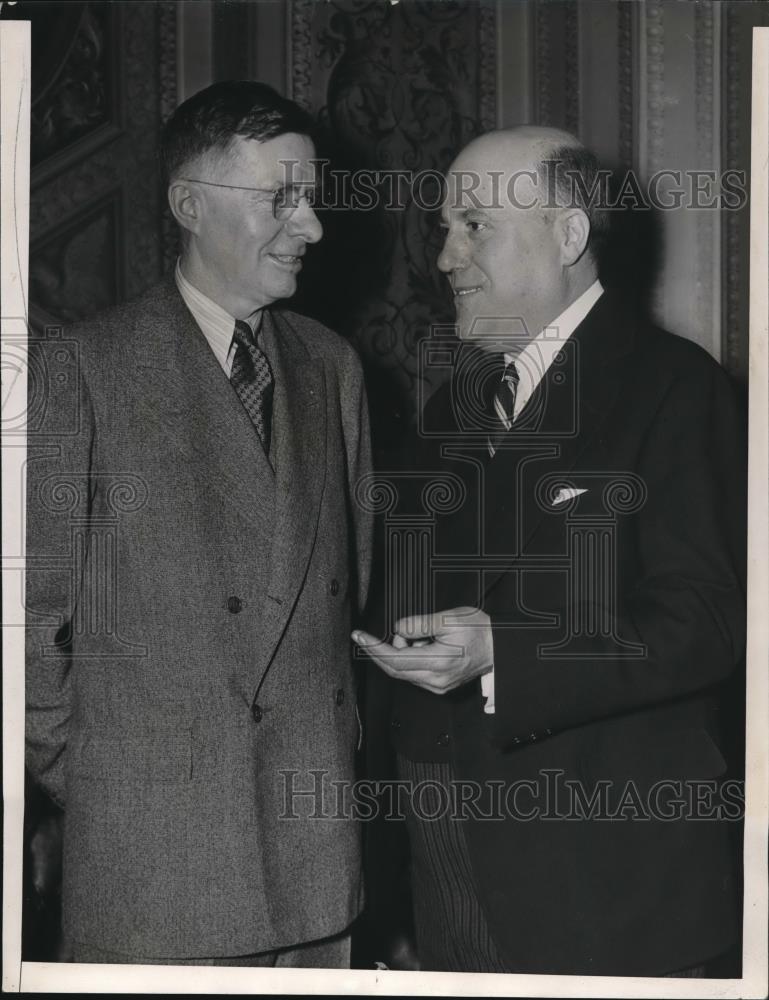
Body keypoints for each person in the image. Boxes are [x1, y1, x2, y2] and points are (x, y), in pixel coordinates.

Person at [354, 127, 746, 976]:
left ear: (567, 237)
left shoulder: (677, 387)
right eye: (443, 231)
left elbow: (707, 619)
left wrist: (504, 654)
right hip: (447, 869)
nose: (445, 257)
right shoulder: (451, 408)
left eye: (473, 226)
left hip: (607, 887)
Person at [25, 80, 372, 967]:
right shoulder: (83, 366)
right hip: (154, 870)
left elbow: (345, 600)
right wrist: (105, 780)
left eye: (313, 199)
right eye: (279, 200)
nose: (312, 227)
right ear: (189, 204)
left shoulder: (331, 368)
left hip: (317, 860)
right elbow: (29, 618)